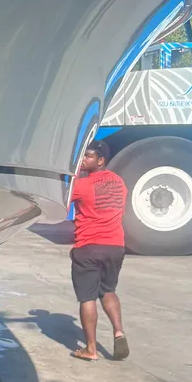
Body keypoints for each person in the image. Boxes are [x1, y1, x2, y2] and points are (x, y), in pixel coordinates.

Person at [69, 140, 130, 362]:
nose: (83, 160)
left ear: (101, 160)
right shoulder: (120, 183)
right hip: (115, 246)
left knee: (87, 298)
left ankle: (91, 349)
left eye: (88, 156)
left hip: (88, 247)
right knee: (108, 290)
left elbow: (60, 204)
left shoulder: (81, 186)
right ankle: (118, 331)